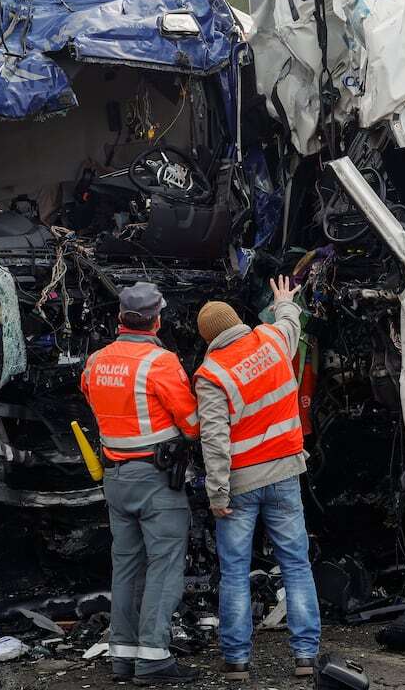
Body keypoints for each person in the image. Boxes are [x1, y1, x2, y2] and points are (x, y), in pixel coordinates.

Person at [194, 277, 321, 681]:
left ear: (208, 338)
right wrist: (285, 301)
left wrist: (217, 493)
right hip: (285, 473)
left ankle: (237, 662)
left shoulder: (211, 373)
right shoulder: (271, 339)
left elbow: (214, 441)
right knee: (296, 566)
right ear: (237, 321)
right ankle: (305, 657)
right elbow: (291, 324)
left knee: (234, 571)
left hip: (241, 484)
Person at [80, 282, 202, 686]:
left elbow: (91, 396)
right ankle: (152, 658)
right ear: (157, 319)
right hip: (155, 480)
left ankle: (123, 656)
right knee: (164, 566)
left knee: (127, 567)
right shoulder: (161, 362)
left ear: (120, 318)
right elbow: (191, 423)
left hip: (115, 478)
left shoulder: (96, 361)